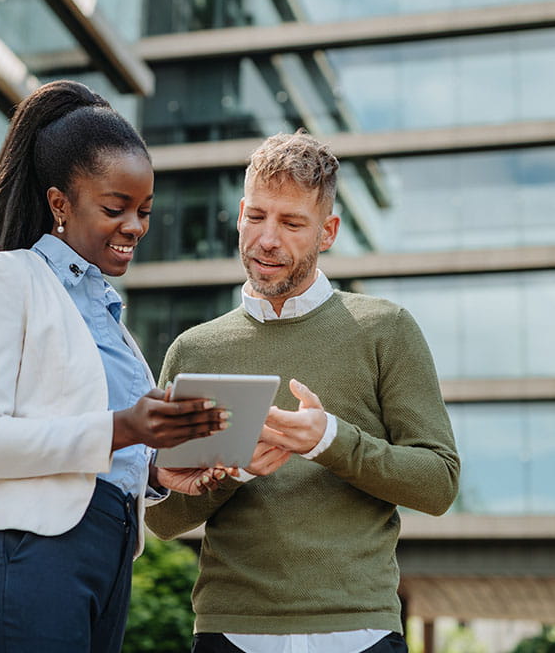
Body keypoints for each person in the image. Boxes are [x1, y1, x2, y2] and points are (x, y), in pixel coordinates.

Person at [0, 80, 232, 653]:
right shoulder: (7, 278)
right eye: (115, 208)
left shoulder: (110, 321)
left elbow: (99, 448)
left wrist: (155, 472)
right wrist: (126, 426)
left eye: (144, 211)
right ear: (59, 204)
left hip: (106, 564)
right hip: (25, 563)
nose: (135, 227)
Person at [145, 131, 461, 653]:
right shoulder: (193, 351)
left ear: (328, 231)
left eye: (292, 223)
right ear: (241, 213)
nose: (268, 239)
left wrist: (329, 440)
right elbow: (160, 517)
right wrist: (234, 470)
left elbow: (439, 484)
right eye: (256, 217)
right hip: (230, 632)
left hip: (360, 630)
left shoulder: (386, 330)